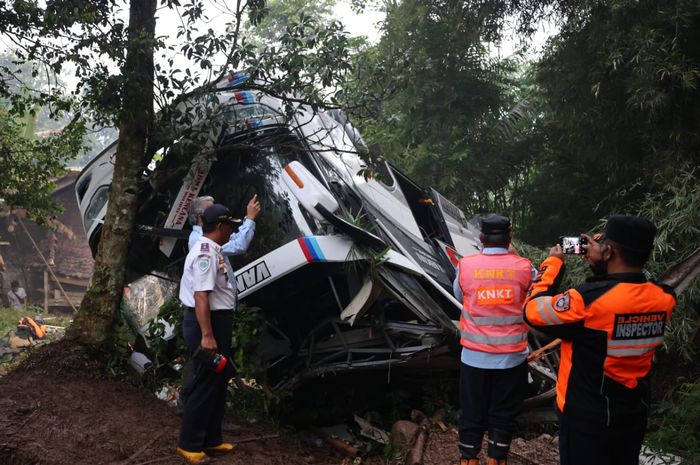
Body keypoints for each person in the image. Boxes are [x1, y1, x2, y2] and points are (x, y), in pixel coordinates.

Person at [523, 215, 676, 465]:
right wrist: (602, 266)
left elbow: (532, 311)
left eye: (602, 243)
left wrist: (552, 264)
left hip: (586, 419)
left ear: (609, 252)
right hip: (632, 414)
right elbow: (619, 297)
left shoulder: (587, 301)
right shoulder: (664, 298)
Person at [453, 214, 534, 465]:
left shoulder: (465, 265)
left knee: (471, 411)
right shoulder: (524, 267)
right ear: (509, 238)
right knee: (503, 412)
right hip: (511, 358)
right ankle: (496, 459)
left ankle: (469, 459)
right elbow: (538, 298)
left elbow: (459, 294)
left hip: (474, 357)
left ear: (481, 238)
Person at [176, 204, 245, 464]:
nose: (232, 231)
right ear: (220, 227)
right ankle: (189, 444)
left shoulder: (214, 250)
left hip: (217, 321)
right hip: (206, 323)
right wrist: (207, 335)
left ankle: (212, 439)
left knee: (218, 382)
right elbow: (201, 296)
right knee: (205, 382)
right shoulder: (205, 253)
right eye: (230, 227)